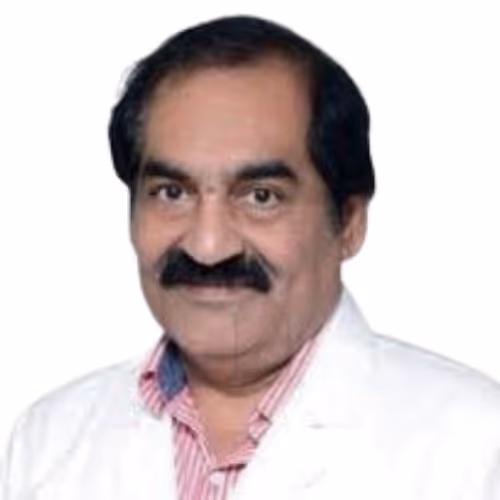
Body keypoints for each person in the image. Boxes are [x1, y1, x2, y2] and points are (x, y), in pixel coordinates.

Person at [1, 14, 500, 500]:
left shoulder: (476, 448)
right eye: (172, 192)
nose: (208, 246)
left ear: (349, 222)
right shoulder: (47, 442)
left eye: (261, 196)